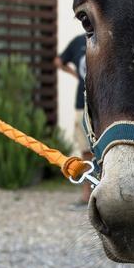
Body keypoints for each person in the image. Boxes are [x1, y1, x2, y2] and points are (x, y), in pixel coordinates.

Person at [55, 34, 91, 204]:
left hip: (107, 105)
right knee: (86, 151)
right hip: (82, 104)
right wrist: (77, 75)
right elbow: (58, 61)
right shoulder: (78, 42)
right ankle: (87, 195)